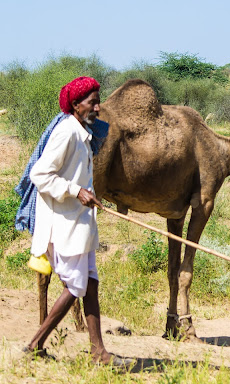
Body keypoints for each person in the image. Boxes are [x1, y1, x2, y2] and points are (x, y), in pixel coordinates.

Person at [23, 77, 133, 369]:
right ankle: (35, 345)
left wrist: (87, 193)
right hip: (63, 225)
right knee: (76, 286)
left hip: (79, 224)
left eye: (98, 100)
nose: (98, 106)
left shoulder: (82, 132)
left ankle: (99, 352)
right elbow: (40, 174)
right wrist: (76, 191)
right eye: (92, 102)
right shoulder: (67, 133)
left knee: (90, 283)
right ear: (75, 104)